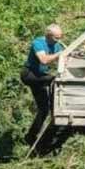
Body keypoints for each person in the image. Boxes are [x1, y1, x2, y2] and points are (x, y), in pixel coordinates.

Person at [20, 24, 65, 153]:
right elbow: (44, 60)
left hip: (40, 77)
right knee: (53, 80)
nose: (59, 40)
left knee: (43, 109)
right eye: (56, 38)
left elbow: (62, 57)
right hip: (29, 75)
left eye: (60, 37)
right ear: (48, 36)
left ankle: (30, 136)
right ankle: (56, 108)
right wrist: (59, 54)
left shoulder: (56, 45)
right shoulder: (38, 43)